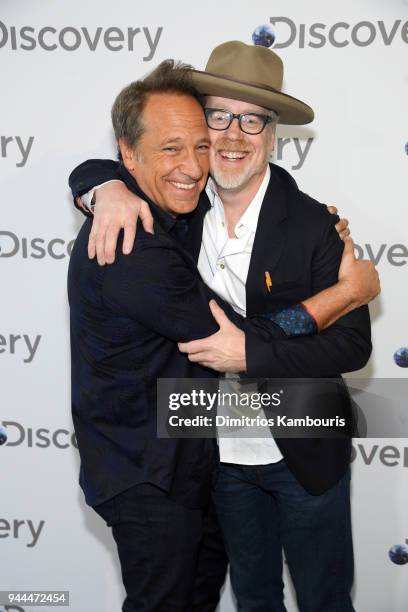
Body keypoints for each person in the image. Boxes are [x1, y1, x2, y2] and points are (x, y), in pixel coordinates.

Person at [69, 43, 379, 612]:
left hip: (303, 449)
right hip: (218, 459)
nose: (233, 135)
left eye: (253, 119)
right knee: (251, 599)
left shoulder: (314, 224)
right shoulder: (178, 208)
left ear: (273, 131)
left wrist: (250, 354)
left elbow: (354, 343)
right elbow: (123, 165)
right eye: (218, 118)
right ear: (200, 124)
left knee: (324, 600)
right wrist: (97, 186)